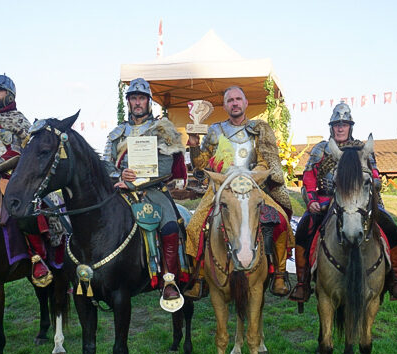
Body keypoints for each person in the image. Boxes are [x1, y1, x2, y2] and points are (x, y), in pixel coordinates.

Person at [289, 102, 397, 303]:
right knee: (304, 227)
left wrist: (374, 181)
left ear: (350, 127)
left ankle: (394, 278)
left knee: (391, 228)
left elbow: (375, 172)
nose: (340, 128)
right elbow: (309, 176)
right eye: (337, 124)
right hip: (327, 200)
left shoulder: (362, 148)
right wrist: (311, 201)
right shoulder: (321, 149)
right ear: (331, 127)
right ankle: (302, 282)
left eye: (344, 124)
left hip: (361, 201)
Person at [184, 86, 294, 298]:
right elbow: (201, 164)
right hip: (220, 189)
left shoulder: (257, 130)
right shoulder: (215, 130)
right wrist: (195, 146)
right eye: (229, 100)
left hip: (251, 187)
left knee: (280, 219)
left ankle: (279, 274)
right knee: (195, 226)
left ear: (245, 103)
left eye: (238, 99)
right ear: (224, 106)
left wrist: (251, 176)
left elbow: (264, 162)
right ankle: (198, 278)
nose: (234, 103)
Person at [0, 74, 61, 287]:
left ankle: (37, 256)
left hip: (12, 175)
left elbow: (19, 152)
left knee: (21, 207)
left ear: (10, 95)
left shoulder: (19, 121)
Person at [102, 77, 188, 306]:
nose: (137, 102)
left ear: (149, 102)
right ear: (128, 102)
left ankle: (169, 279)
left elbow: (167, 167)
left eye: (141, 98)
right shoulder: (116, 133)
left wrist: (134, 182)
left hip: (154, 190)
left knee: (170, 224)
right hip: (120, 189)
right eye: (133, 98)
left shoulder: (163, 129)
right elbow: (107, 163)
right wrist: (120, 176)